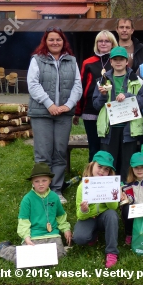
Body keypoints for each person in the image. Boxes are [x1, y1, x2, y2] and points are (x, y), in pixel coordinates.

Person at [27, 26, 82, 204]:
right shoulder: (37, 60)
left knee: (59, 152)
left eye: (58, 39)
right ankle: (41, 190)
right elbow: (33, 84)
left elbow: (77, 86)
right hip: (42, 112)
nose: (55, 42)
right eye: (51, 39)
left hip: (64, 114)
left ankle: (56, 190)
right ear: (46, 41)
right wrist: (49, 104)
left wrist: (68, 105)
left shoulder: (71, 61)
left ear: (63, 42)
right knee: (43, 152)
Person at [0, 163, 72, 262]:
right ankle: (2, 249)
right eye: (37, 181)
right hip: (34, 236)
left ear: (50, 181)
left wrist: (66, 229)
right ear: (32, 182)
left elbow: (60, 215)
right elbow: (23, 220)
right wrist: (26, 237)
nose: (40, 184)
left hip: (52, 235)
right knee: (27, 260)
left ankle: (60, 250)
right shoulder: (27, 199)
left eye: (44, 180)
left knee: (57, 257)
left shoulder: (54, 197)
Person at [93, 46, 143, 182]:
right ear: (111, 62)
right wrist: (102, 95)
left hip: (129, 129)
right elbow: (95, 105)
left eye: (121, 59)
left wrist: (129, 96)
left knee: (127, 165)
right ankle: (109, 194)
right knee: (107, 165)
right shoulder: (102, 80)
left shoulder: (137, 80)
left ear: (126, 62)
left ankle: (126, 193)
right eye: (115, 59)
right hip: (109, 129)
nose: (118, 62)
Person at [73, 30, 118, 161]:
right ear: (96, 43)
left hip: (112, 109)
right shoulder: (88, 62)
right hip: (91, 110)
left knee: (110, 147)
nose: (103, 43)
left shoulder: (117, 60)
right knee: (94, 147)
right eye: (100, 41)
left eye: (107, 41)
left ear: (112, 43)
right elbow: (81, 86)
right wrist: (77, 111)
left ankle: (111, 176)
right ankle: (93, 178)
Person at [72, 151, 120, 268]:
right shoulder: (82, 186)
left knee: (112, 215)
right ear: (92, 165)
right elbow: (79, 215)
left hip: (104, 217)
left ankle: (112, 252)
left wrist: (109, 194)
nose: (102, 171)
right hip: (88, 217)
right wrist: (84, 210)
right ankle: (93, 235)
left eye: (106, 169)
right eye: (99, 167)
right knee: (79, 238)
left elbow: (114, 207)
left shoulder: (111, 185)